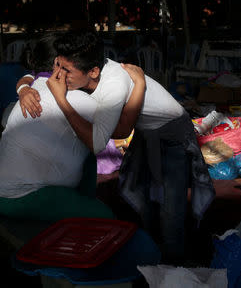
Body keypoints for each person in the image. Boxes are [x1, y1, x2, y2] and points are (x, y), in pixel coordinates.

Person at [18, 30, 215, 264]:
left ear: (93, 72)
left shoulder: (113, 85)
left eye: (65, 70)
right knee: (141, 196)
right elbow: (34, 76)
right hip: (145, 131)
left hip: (171, 134)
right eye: (57, 65)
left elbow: (109, 137)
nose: (57, 75)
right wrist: (24, 88)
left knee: (171, 212)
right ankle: (152, 257)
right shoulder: (82, 71)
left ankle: (177, 268)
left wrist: (61, 100)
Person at [0, 33, 142, 223]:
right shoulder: (81, 101)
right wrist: (139, 84)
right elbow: (122, 130)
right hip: (18, 196)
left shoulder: (35, 85)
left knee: (86, 150)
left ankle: (82, 202)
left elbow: (23, 86)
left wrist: (22, 87)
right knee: (106, 219)